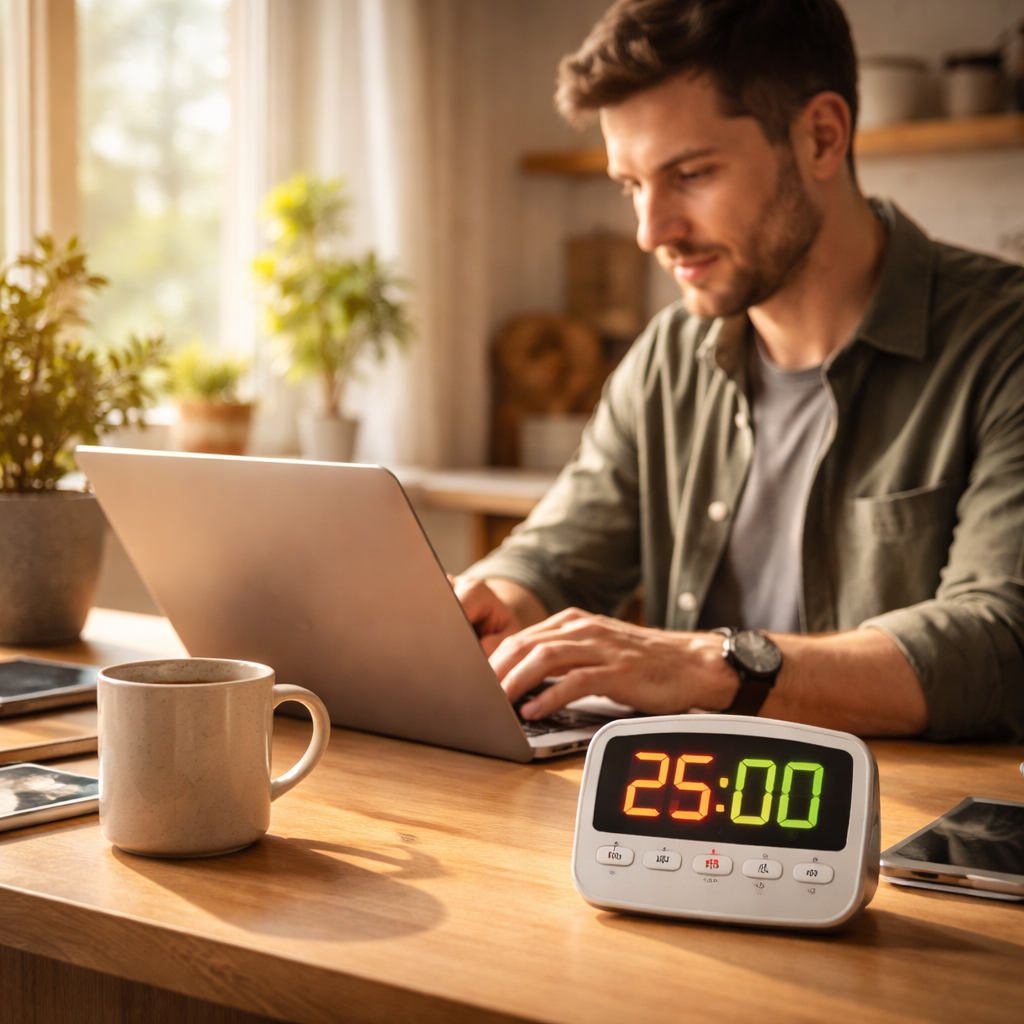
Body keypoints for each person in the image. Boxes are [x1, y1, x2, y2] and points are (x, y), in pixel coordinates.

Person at [453, 0, 1024, 742]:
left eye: (689, 173)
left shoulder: (1004, 341)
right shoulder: (669, 355)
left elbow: (1000, 639)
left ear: (822, 136)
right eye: (631, 184)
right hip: (684, 812)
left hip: (902, 832)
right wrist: (493, 604)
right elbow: (559, 552)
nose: (650, 230)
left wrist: (707, 665)